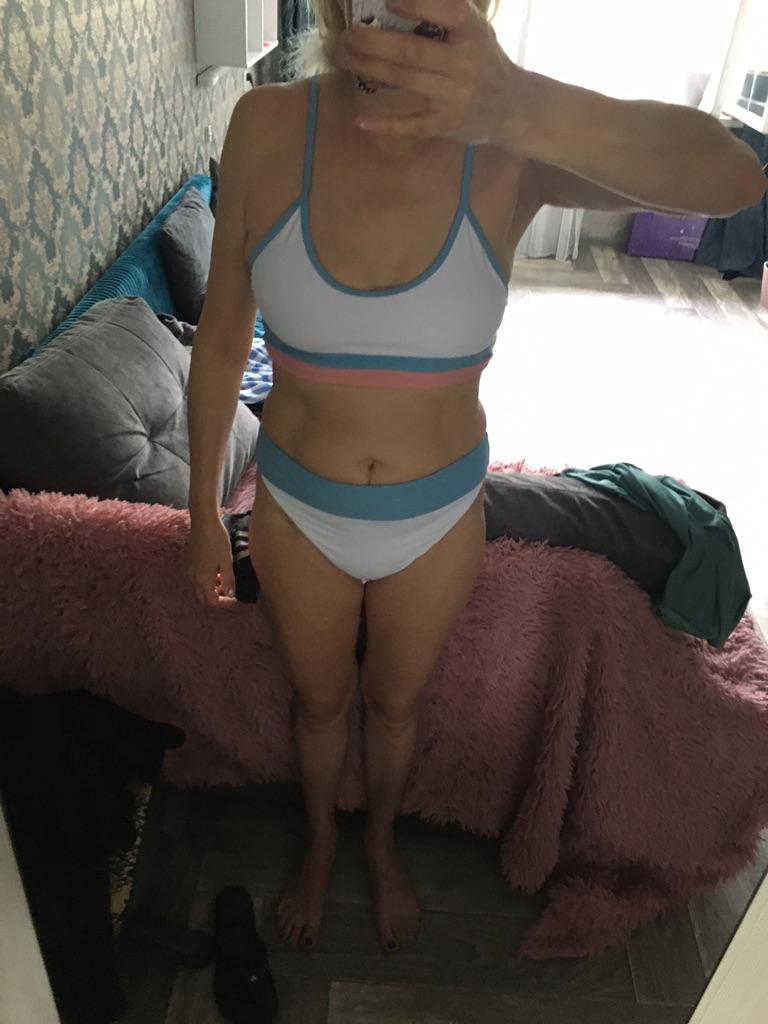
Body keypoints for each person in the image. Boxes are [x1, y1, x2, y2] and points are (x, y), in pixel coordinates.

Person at [185, 0, 767, 956]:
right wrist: (204, 512)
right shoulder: (266, 125)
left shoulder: (509, 140)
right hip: (297, 509)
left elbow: (733, 177)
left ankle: (381, 846)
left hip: (437, 516)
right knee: (319, 703)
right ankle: (321, 845)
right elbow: (217, 343)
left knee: (396, 707)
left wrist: (520, 105)